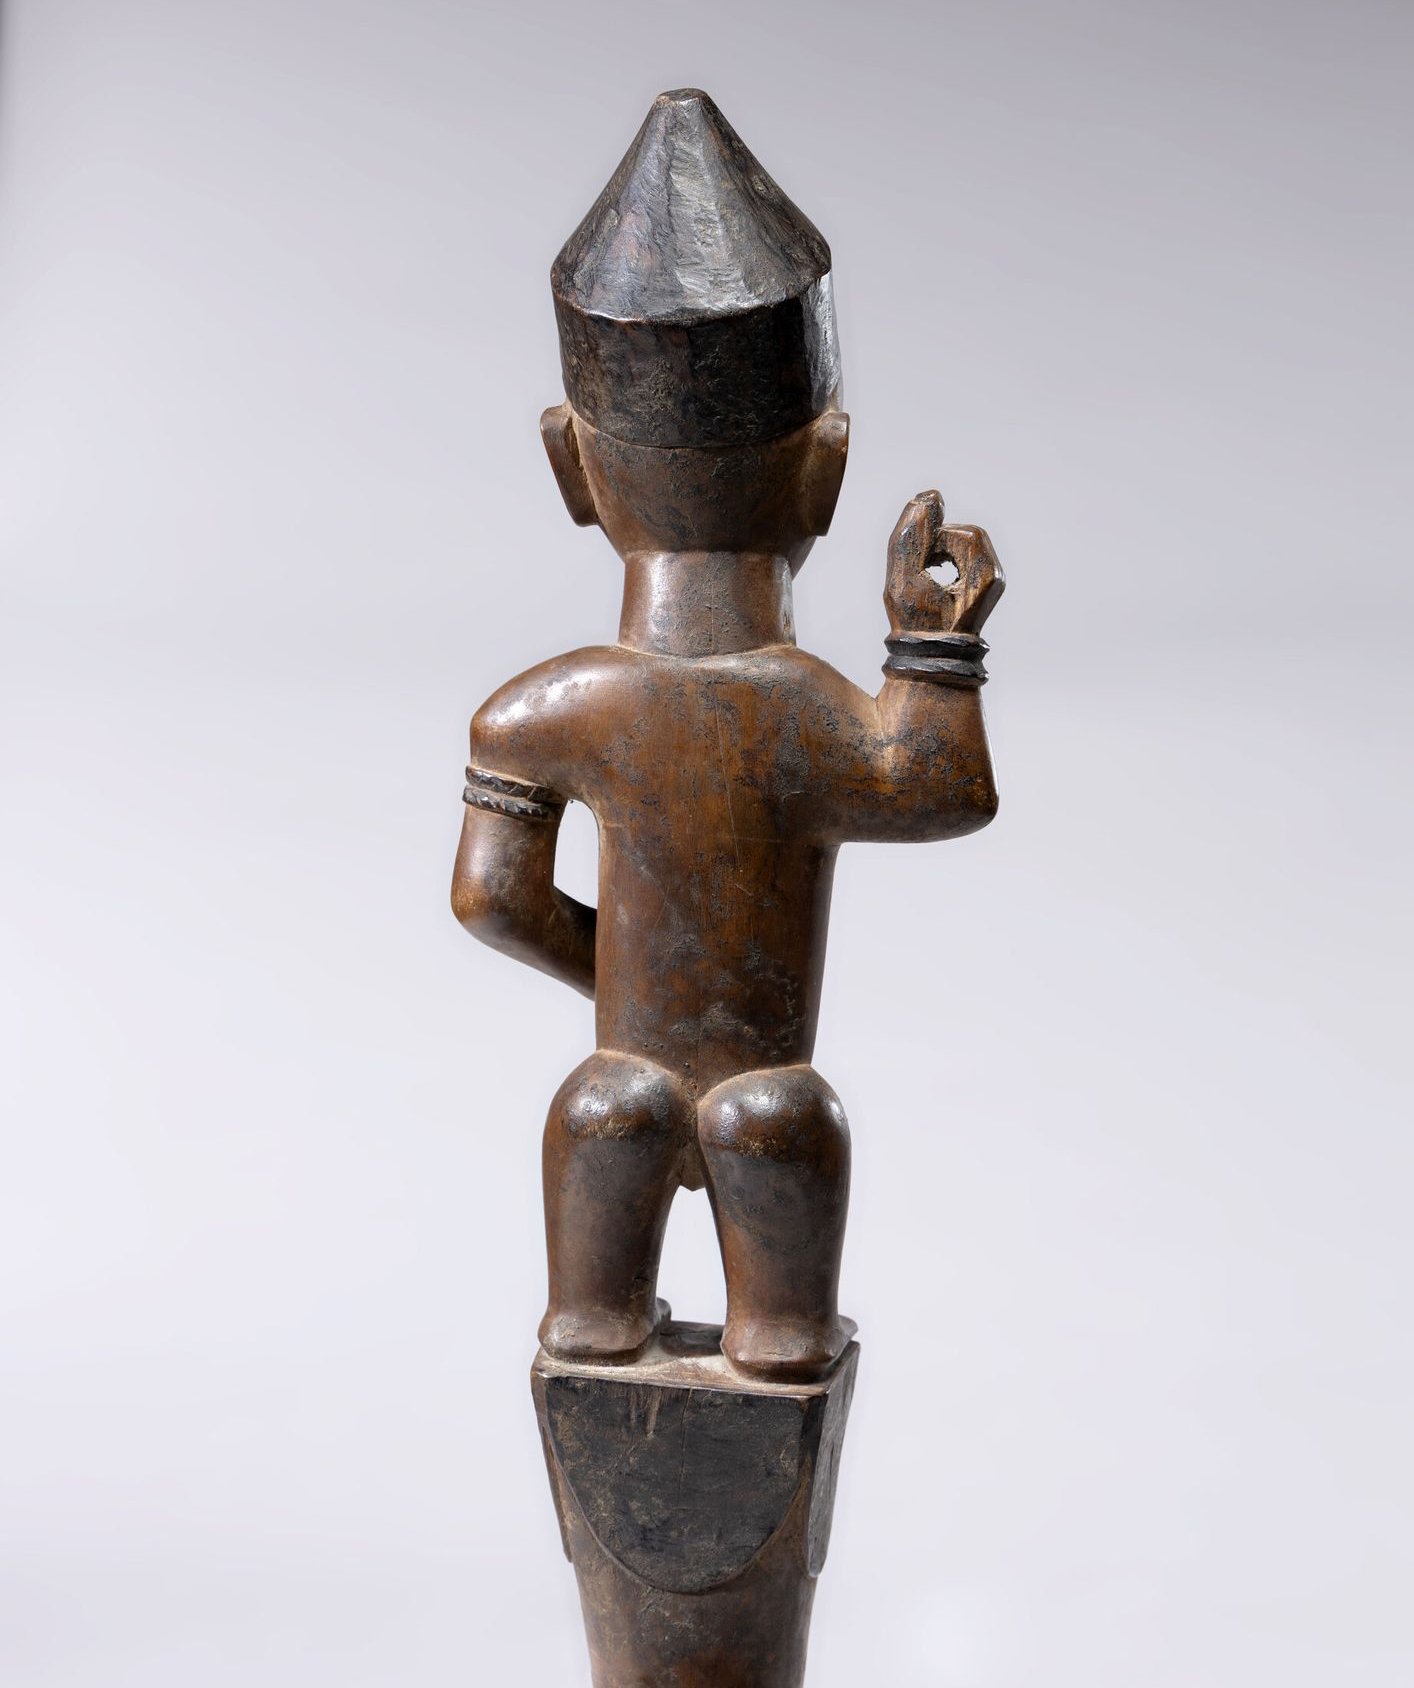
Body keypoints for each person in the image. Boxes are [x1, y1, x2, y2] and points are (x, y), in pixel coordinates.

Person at [451, 90, 1002, 1382]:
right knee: (783, 1352)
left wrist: (641, 997)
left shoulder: (537, 711)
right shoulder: (807, 712)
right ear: (826, 468)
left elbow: (490, 901)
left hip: (613, 1089)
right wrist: (932, 648)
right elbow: (937, 792)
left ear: (568, 466)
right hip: (772, 1093)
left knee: (589, 1338)